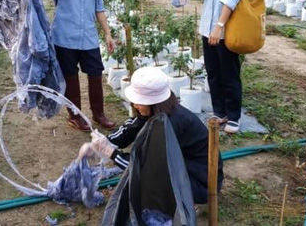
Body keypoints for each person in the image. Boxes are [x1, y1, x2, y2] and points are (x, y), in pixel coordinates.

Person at [81, 67, 224, 206]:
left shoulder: (169, 126)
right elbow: (132, 126)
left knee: (147, 182)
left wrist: (111, 153)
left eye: (140, 102)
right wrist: (106, 141)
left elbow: (144, 169)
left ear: (154, 102)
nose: (135, 105)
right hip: (185, 166)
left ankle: (178, 204)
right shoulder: (159, 110)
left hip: (200, 183)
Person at [38, 0, 117, 132]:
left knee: (95, 74)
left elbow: (99, 7)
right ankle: (75, 115)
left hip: (89, 36)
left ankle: (99, 114)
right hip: (64, 37)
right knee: (70, 77)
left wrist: (107, 33)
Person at [191, 0, 250, 134]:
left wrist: (219, 26)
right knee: (213, 72)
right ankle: (220, 111)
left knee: (229, 72)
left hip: (226, 28)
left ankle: (233, 116)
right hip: (208, 27)